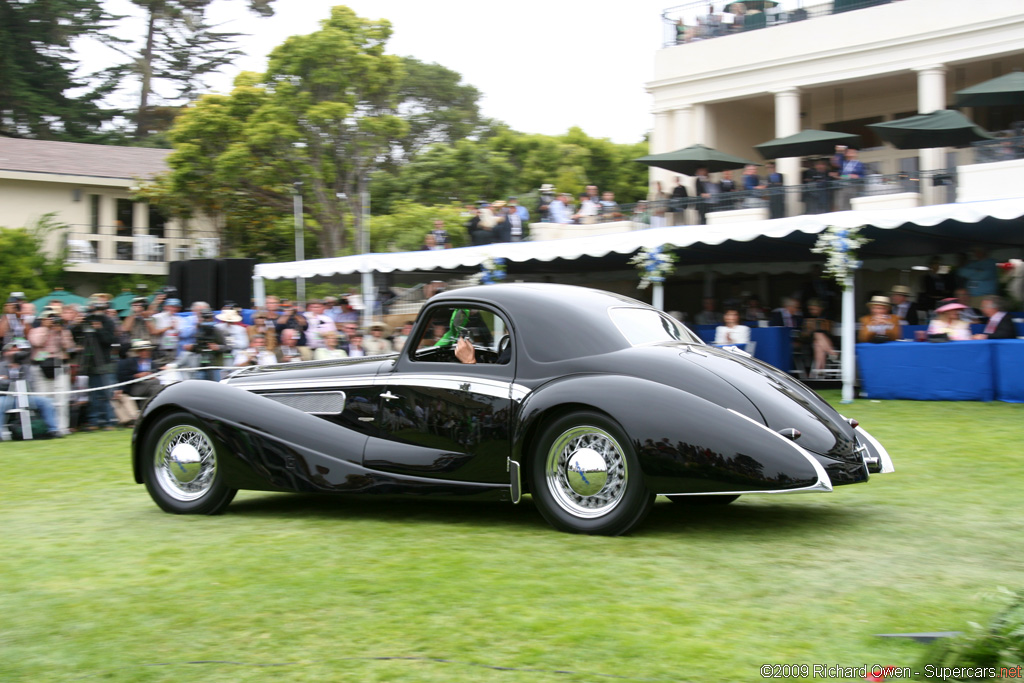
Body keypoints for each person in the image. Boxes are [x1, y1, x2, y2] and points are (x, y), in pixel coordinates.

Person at [0, 343, 63, 438]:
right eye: (12, 350)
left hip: (25, 397)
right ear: (5, 353)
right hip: (6, 397)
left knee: (47, 402)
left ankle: (53, 430)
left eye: (17, 350)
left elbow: (29, 383)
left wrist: (7, 381)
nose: (15, 353)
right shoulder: (1, 367)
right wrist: (14, 383)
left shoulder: (26, 367)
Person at [801, 300, 837, 372]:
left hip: (823, 341)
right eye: (810, 309)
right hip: (809, 341)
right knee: (818, 335)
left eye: (814, 309)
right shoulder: (807, 316)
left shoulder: (827, 315)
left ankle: (819, 371)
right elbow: (804, 333)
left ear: (820, 308)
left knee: (817, 344)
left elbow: (828, 330)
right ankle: (832, 353)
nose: (812, 311)